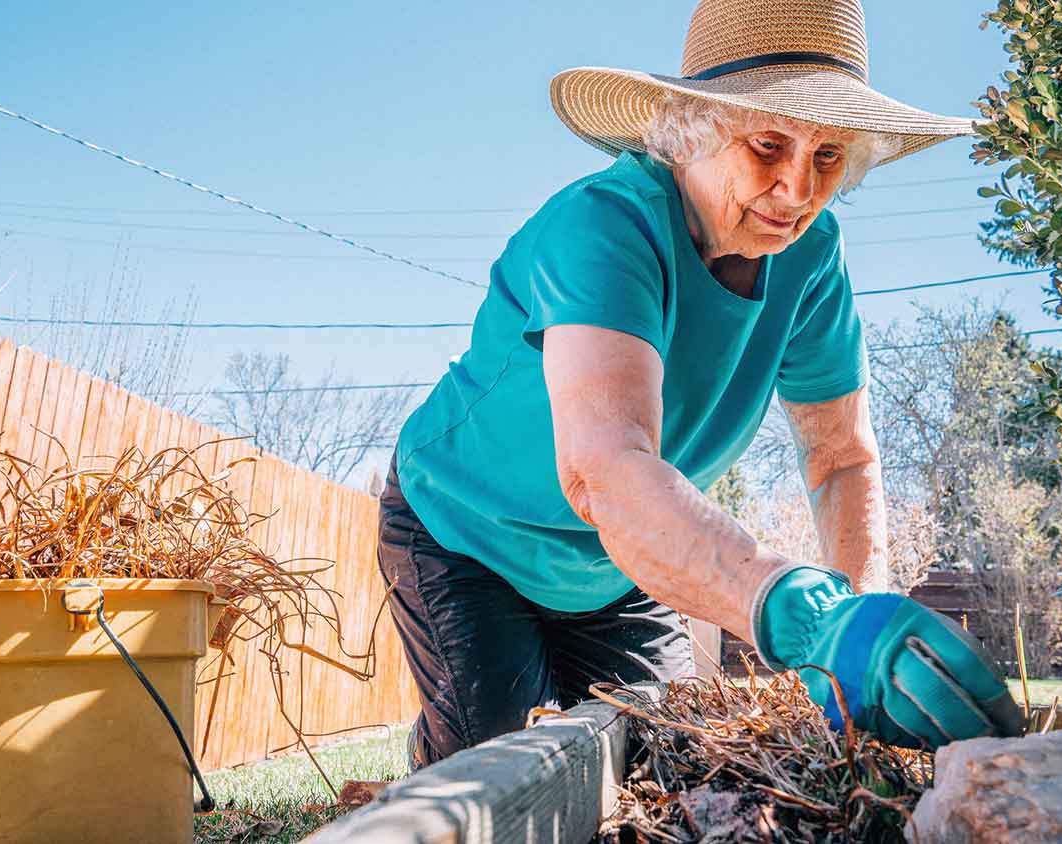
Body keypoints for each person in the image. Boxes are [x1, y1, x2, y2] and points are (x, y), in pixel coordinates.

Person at [377, 0, 1023, 771]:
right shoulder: (601, 227)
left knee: (673, 766)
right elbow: (605, 471)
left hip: (626, 560)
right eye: (769, 144)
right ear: (694, 127)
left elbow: (841, 458)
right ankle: (443, 744)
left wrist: (851, 630)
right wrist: (796, 610)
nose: (795, 189)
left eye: (826, 157)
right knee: (513, 771)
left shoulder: (811, 258)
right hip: (468, 533)